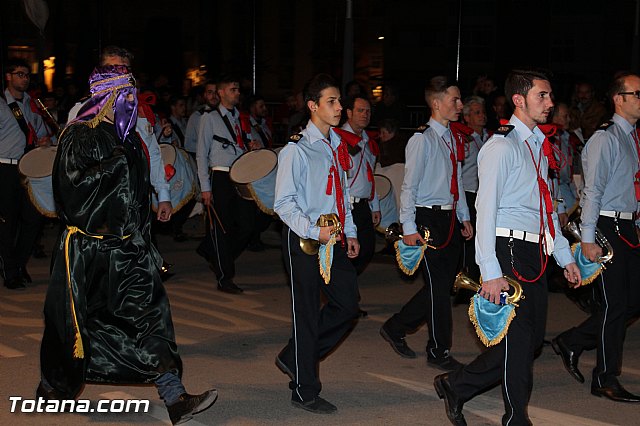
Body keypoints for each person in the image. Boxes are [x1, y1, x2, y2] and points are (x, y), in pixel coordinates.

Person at [37, 63, 216, 425]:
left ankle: (174, 395)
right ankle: (54, 388)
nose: (132, 100)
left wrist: (143, 234)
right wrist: (112, 167)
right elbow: (69, 195)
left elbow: (136, 192)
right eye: (126, 94)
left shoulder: (129, 137)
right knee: (76, 327)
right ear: (107, 96)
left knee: (151, 318)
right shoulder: (79, 136)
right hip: (88, 250)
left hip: (128, 249)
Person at [434, 69, 582, 425]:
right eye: (541, 96)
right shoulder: (501, 145)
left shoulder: (536, 146)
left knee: (528, 344)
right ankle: (516, 418)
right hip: (508, 249)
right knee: (518, 344)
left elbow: (546, 210)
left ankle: (457, 384)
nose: (549, 103)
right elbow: (486, 210)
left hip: (535, 253)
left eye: (549, 96)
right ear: (519, 100)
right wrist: (490, 271)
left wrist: (564, 256)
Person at [273, 73, 360, 414]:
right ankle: (304, 389)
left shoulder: (337, 144)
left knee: (348, 304)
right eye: (332, 102)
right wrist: (313, 231)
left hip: (333, 236)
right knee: (306, 314)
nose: (340, 107)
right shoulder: (296, 149)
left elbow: (343, 196)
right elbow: (283, 204)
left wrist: (349, 232)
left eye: (340, 101)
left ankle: (294, 356)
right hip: (304, 239)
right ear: (313, 106)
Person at [551, 73, 640, 403]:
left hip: (626, 227)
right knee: (615, 305)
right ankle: (604, 377)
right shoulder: (606, 137)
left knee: (632, 302)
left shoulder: (630, 136)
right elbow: (593, 191)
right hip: (605, 226)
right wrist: (587, 239)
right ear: (619, 98)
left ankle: (572, 341)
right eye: (637, 93)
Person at [380, 76, 473, 369]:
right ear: (436, 103)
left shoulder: (452, 136)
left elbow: (456, 180)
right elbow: (409, 186)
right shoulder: (422, 139)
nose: (460, 106)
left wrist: (464, 216)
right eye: (454, 100)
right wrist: (408, 228)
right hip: (427, 217)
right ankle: (439, 351)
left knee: (442, 285)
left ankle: (396, 326)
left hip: (449, 216)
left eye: (459, 100)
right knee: (438, 290)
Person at [195, 76, 258, 294]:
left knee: (247, 225)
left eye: (238, 89)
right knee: (221, 227)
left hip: (239, 176)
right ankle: (224, 276)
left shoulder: (240, 118)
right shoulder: (209, 118)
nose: (237, 92)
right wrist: (205, 187)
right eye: (233, 89)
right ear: (221, 93)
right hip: (220, 176)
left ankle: (215, 254)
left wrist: (253, 146)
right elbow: (202, 154)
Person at [1, 58, 50, 290]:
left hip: (29, 168)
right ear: (8, 77)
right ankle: (10, 271)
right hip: (5, 168)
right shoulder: (1, 104)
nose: (24, 78)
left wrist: (44, 140)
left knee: (33, 219)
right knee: (6, 223)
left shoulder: (32, 104)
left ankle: (19, 264)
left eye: (27, 74)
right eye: (19, 74)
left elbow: (42, 132)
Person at [342, 95, 380, 274]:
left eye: (368, 111)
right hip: (346, 205)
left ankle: (347, 287)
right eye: (360, 110)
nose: (365, 115)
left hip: (363, 205)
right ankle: (345, 291)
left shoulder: (367, 141)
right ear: (348, 113)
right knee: (348, 252)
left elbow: (370, 176)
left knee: (367, 249)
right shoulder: (339, 139)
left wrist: (375, 205)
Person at [459, 96, 489, 284]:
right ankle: (468, 276)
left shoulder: (490, 137)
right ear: (467, 117)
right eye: (477, 113)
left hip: (485, 195)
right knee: (470, 239)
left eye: (483, 112)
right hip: (469, 194)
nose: (482, 116)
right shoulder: (465, 139)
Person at [185, 81, 219, 159]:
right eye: (210, 92)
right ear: (205, 95)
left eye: (216, 92)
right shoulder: (196, 116)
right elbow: (188, 145)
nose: (214, 96)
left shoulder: (226, 115)